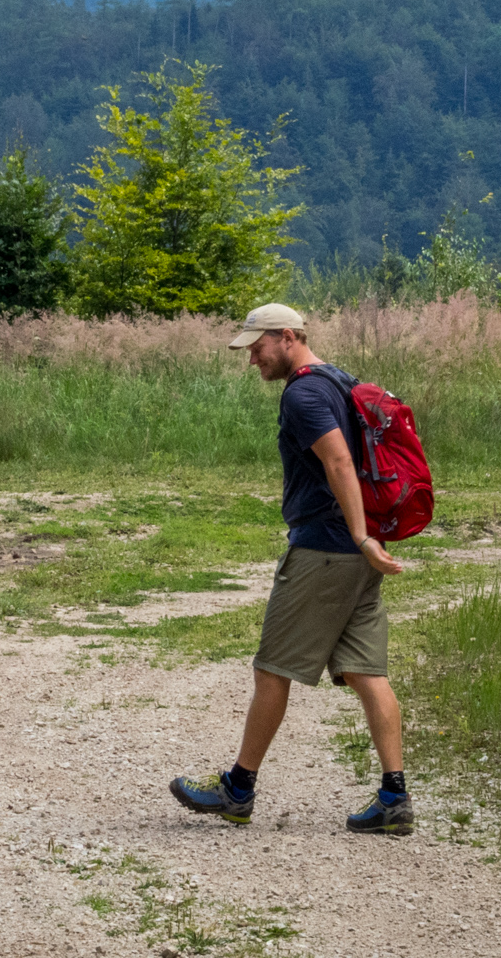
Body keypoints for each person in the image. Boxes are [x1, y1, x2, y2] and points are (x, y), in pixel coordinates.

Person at [169, 303, 415, 835]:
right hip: (355, 556)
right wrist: (367, 542)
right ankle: (394, 799)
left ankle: (238, 790)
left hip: (328, 549)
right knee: (365, 671)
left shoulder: (304, 392)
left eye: (258, 346)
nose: (252, 358)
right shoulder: (339, 381)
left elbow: (339, 462)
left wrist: (359, 537)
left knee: (272, 667)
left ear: (287, 337)